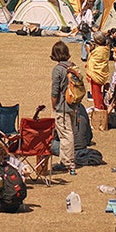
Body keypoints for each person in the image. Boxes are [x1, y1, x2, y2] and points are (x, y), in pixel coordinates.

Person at [49, 40, 77, 176]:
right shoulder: (73, 66)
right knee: (69, 133)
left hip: (62, 106)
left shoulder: (58, 70)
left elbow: (55, 91)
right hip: (73, 104)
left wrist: (53, 105)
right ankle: (68, 160)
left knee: (66, 135)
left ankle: (67, 162)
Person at [85, 33, 115, 109]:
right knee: (98, 93)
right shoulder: (106, 48)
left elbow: (92, 59)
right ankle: (102, 106)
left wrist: (89, 51)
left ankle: (99, 108)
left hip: (96, 74)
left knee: (96, 94)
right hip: (102, 72)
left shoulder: (98, 50)